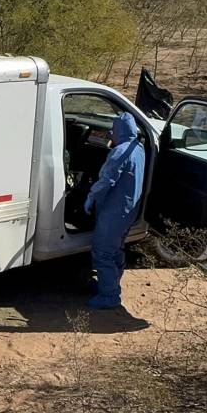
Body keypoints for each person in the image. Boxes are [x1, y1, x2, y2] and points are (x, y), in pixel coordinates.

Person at [83, 112, 145, 310]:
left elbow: (107, 180)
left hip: (114, 212)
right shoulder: (138, 148)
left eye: (114, 129)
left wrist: (91, 196)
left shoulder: (119, 152)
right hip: (129, 210)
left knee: (103, 252)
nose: (111, 133)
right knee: (116, 249)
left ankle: (110, 294)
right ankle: (108, 283)